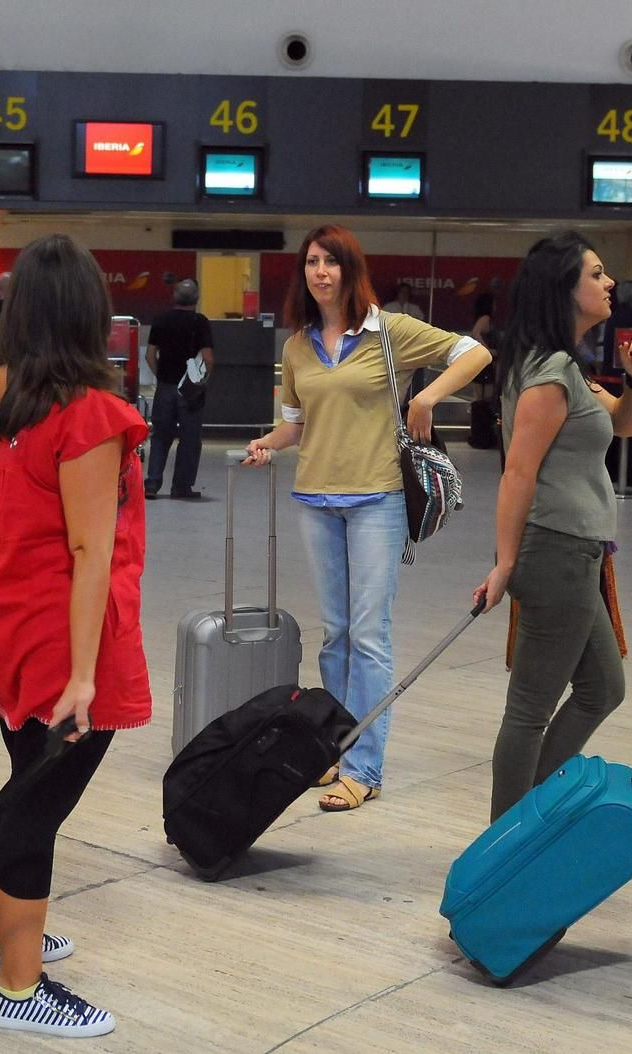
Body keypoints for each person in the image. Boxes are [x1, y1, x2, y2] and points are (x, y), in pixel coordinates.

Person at [0, 234, 149, 1038]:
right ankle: (20, 990)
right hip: (63, 640)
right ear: (91, 313)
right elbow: (91, 548)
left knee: (22, 781)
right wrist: (86, 674)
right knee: (34, 808)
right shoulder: (89, 413)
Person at [242, 224, 491, 812]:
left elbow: (474, 352)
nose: (320, 272)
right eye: (311, 263)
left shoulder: (388, 332)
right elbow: (297, 424)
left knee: (370, 636)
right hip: (316, 500)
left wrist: (427, 398)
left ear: (351, 271)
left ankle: (364, 766)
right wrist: (268, 444)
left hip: (377, 498)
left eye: (331, 262)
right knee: (336, 634)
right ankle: (334, 745)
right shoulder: (298, 344)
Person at [471, 232, 632, 820]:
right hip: (554, 554)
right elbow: (517, 474)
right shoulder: (550, 373)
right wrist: (505, 563)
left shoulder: (565, 368)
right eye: (598, 274)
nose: (611, 285)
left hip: (577, 554)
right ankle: (507, 842)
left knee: (604, 688)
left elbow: (625, 425)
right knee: (529, 709)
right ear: (565, 289)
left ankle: (531, 810)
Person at [143, 278, 214, 500]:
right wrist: (201, 382)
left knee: (160, 436)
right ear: (196, 299)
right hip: (189, 391)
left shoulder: (161, 320)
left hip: (165, 387)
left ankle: (152, 484)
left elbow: (149, 355)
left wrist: (161, 376)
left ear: (174, 298)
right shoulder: (200, 322)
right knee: (190, 439)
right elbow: (208, 358)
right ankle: (181, 487)